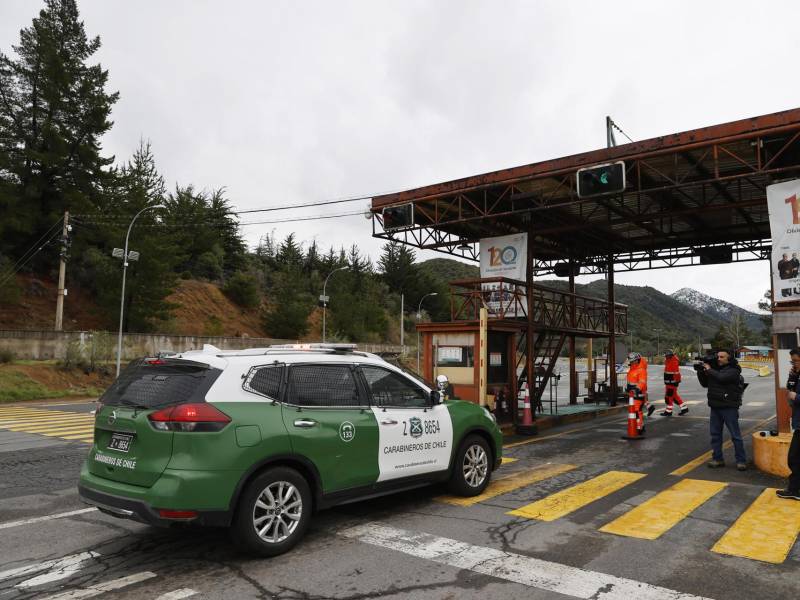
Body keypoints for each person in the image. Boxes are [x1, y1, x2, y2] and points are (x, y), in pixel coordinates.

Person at [696, 349, 747, 471]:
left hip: (729, 407)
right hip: (715, 406)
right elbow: (704, 384)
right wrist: (701, 371)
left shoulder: (734, 370)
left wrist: (709, 369)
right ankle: (718, 459)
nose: (719, 358)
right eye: (718, 356)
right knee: (715, 435)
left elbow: (721, 378)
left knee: (735, 435)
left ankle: (741, 461)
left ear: (729, 359)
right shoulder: (714, 370)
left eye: (722, 357)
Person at [777, 348, 800, 500]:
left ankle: (795, 490)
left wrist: (797, 396)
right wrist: (793, 376)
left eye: (797, 361)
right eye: (793, 361)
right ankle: (795, 489)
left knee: (794, 458)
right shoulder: (797, 375)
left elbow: (794, 397)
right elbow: (789, 396)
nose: (795, 364)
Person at [659, 350, 689, 416]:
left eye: (666, 356)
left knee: (669, 397)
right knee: (674, 396)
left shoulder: (673, 362)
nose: (665, 357)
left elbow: (676, 373)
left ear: (669, 356)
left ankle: (668, 412)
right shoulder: (668, 361)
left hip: (672, 383)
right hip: (668, 382)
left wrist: (676, 381)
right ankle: (684, 408)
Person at [626, 352, 649, 433]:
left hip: (638, 393)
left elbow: (642, 382)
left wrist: (636, 389)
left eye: (633, 361)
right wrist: (628, 389)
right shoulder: (632, 369)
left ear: (637, 360)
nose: (631, 362)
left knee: (636, 410)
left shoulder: (641, 370)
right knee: (636, 410)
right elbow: (631, 381)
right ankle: (640, 426)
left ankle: (639, 427)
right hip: (632, 394)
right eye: (631, 361)